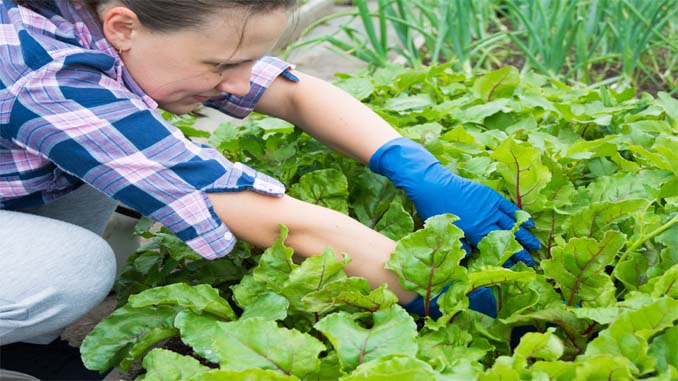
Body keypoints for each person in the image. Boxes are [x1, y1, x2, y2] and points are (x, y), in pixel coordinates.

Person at [0, 0, 540, 379]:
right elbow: (279, 220)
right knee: (77, 267)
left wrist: (419, 168)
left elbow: (291, 93)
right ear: (123, 26)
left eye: (247, 59)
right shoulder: (48, 76)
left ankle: (28, 342)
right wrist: (445, 288)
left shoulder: (112, 19)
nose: (239, 82)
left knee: (107, 161)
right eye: (222, 65)